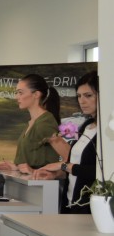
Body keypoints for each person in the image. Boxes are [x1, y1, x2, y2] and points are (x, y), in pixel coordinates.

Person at [32, 71, 98, 213]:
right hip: (69, 203)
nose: (82, 101)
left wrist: (63, 165)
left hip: (89, 208)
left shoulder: (105, 134)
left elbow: (99, 172)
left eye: (88, 95)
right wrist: (56, 174)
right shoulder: (86, 126)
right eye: (79, 96)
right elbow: (74, 168)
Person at [0, 73, 61, 173]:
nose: (16, 97)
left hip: (41, 182)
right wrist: (17, 167)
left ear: (36, 94)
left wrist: (35, 171)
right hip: (29, 180)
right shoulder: (32, 122)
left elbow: (67, 160)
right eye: (17, 93)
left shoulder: (45, 122)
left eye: (20, 93)